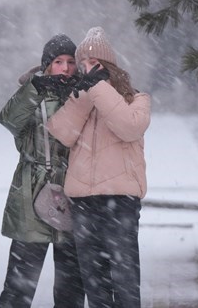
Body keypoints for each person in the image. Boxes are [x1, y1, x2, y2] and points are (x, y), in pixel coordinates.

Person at [47, 26, 151, 308]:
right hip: (83, 202)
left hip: (121, 201)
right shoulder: (83, 97)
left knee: (125, 277)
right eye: (82, 66)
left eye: (92, 65)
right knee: (94, 281)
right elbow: (61, 132)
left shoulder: (137, 99)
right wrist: (83, 96)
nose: (85, 70)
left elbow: (130, 127)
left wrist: (99, 87)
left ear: (108, 67)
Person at [0, 34, 85, 307]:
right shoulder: (31, 91)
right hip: (30, 196)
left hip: (73, 194)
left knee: (71, 290)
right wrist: (35, 88)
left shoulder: (83, 93)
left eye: (71, 62)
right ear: (47, 64)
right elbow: (9, 120)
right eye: (58, 61)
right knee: (18, 287)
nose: (66, 68)